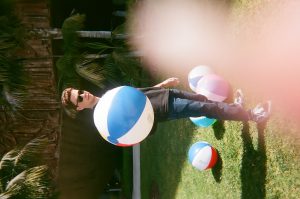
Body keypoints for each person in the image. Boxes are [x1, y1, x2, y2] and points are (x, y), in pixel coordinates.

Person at [61, 77, 271, 126]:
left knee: (202, 99)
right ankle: (252, 115)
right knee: (208, 107)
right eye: (78, 98)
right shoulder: (105, 119)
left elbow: (137, 91)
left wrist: (163, 84)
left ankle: (237, 109)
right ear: (79, 107)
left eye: (79, 91)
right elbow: (137, 129)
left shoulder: (108, 94)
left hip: (165, 95)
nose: (83, 94)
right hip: (163, 108)